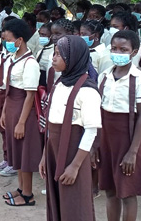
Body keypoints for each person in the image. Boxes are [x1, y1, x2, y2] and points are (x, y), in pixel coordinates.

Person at [98, 30, 141, 221]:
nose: (118, 52)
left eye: (123, 49)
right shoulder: (104, 76)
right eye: (114, 48)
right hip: (106, 138)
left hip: (127, 138)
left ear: (134, 52)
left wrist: (133, 152)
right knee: (110, 189)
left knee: (127, 192)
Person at [40, 35, 102, 221]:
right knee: (57, 199)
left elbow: (91, 130)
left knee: (75, 203)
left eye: (60, 54)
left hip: (75, 152)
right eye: (54, 53)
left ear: (74, 58)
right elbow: (51, 124)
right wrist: (45, 155)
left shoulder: (88, 91)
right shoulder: (59, 84)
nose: (54, 58)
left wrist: (75, 166)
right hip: (54, 149)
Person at [0, 18, 42, 207]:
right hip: (12, 106)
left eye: (8, 39)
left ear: (19, 40)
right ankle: (21, 187)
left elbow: (30, 95)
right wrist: (4, 113)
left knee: (25, 153)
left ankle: (28, 194)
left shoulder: (30, 63)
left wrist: (22, 122)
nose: (5, 43)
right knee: (16, 150)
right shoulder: (13, 58)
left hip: (23, 110)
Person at [0, 16, 16, 177]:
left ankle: (14, 161)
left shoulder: (18, 58)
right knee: (2, 127)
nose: (5, 40)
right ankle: (6, 158)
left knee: (10, 129)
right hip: (0, 92)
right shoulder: (2, 53)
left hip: (11, 94)